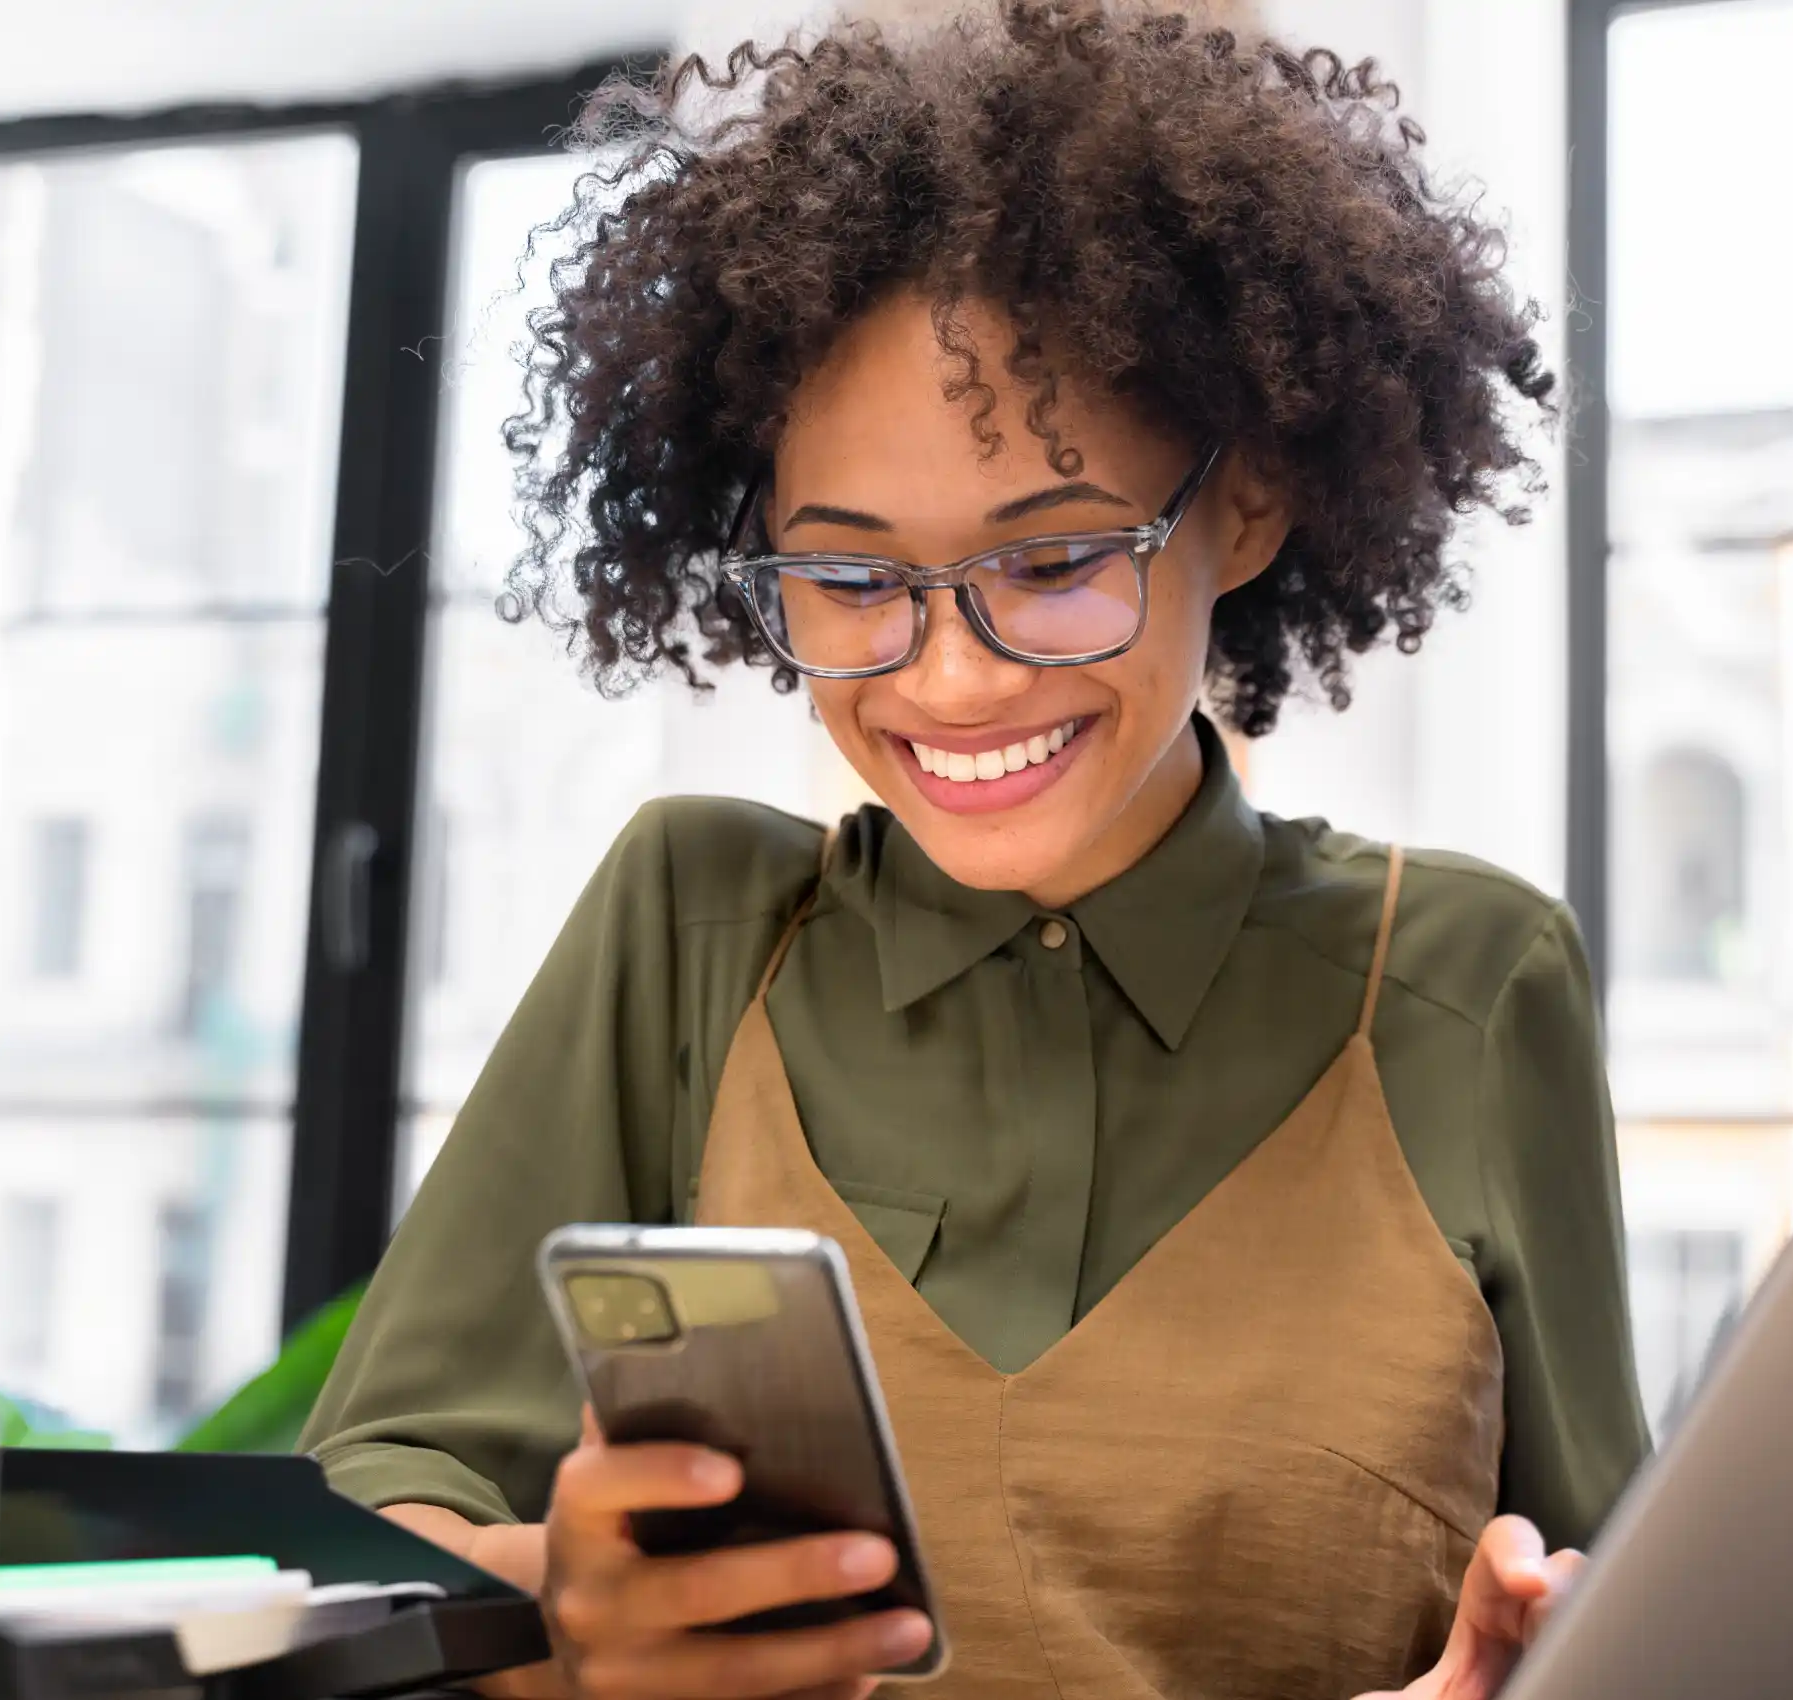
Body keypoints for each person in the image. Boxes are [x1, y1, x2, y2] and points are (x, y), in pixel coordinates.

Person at [302, 5, 1650, 1696]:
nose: (950, 678)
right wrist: (559, 1619)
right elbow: (361, 1530)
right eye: (851, 581)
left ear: (1247, 504)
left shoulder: (1467, 983)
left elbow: (1632, 1611)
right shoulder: (696, 927)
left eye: (1056, 560)